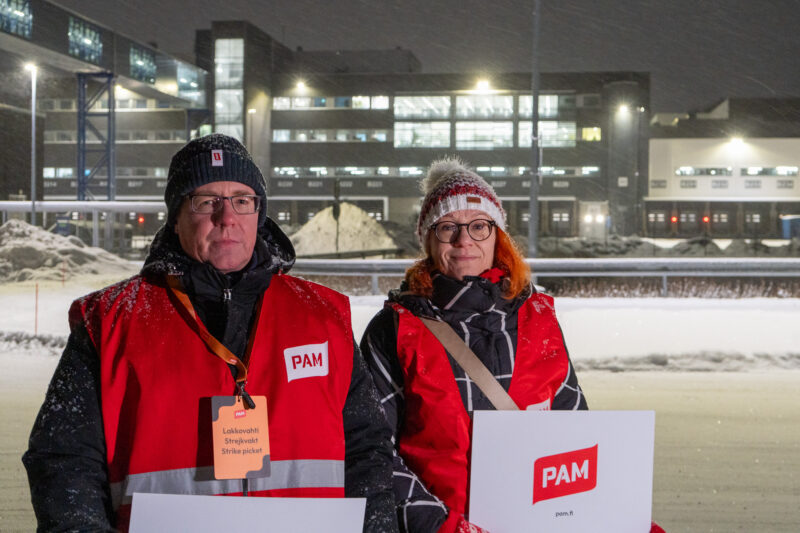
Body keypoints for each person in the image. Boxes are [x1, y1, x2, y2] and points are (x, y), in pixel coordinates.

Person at [23, 134, 399, 533]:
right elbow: (64, 462)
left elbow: (367, 451)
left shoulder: (323, 317)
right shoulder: (108, 324)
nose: (227, 217)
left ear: (259, 212)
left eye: (242, 199)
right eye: (206, 201)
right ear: (176, 215)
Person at [359, 157, 589, 532]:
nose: (464, 240)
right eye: (448, 227)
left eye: (479, 226)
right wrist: (438, 524)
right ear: (428, 238)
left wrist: (615, 510)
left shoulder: (540, 320)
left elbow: (577, 435)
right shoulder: (396, 331)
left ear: (497, 235)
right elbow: (373, 451)